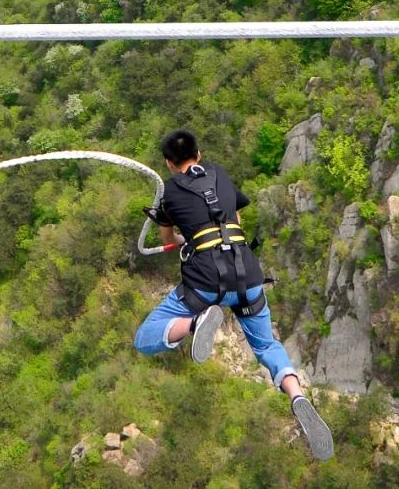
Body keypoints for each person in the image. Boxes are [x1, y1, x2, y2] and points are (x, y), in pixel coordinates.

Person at [133, 129, 334, 460]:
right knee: (266, 344)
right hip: (248, 273)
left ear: (169, 163)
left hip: (206, 282)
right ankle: (296, 394)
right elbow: (235, 222)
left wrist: (182, 233)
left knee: (144, 337)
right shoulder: (219, 174)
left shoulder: (168, 191)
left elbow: (168, 242)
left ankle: (195, 324)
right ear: (199, 154)